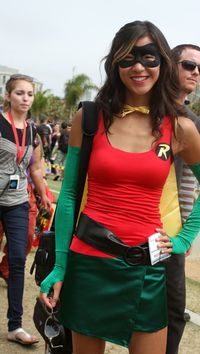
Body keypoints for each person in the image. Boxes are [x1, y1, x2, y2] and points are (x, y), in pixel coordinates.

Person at [40, 21, 200, 354]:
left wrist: (182, 240)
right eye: (128, 58)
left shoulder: (180, 127)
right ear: (115, 64)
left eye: (149, 57)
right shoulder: (89, 118)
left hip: (146, 267)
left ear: (163, 62)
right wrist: (61, 266)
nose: (139, 66)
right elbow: (67, 197)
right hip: (89, 262)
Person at [0, 74, 51, 345]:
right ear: (8, 96)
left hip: (18, 200)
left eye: (29, 94)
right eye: (19, 93)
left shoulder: (33, 131)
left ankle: (15, 326)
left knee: (18, 259)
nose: (25, 98)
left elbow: (35, 167)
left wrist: (44, 195)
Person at [164, 44, 200, 354]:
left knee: (173, 310)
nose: (195, 72)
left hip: (169, 231)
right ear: (170, 65)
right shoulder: (149, 109)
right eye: (189, 65)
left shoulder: (192, 122)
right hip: (121, 222)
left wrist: (186, 232)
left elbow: (193, 180)